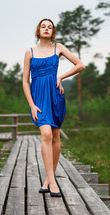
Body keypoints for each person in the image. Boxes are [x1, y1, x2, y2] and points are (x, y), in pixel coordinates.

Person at [22, 18, 85, 197]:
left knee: (56, 137)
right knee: (46, 135)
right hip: (39, 99)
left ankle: (48, 179)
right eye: (43, 26)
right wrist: (31, 105)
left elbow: (81, 65)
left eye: (50, 27)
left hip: (55, 96)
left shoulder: (59, 48)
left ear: (53, 31)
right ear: (38, 31)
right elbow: (25, 81)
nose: (46, 29)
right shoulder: (30, 52)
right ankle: (53, 182)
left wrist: (61, 77)